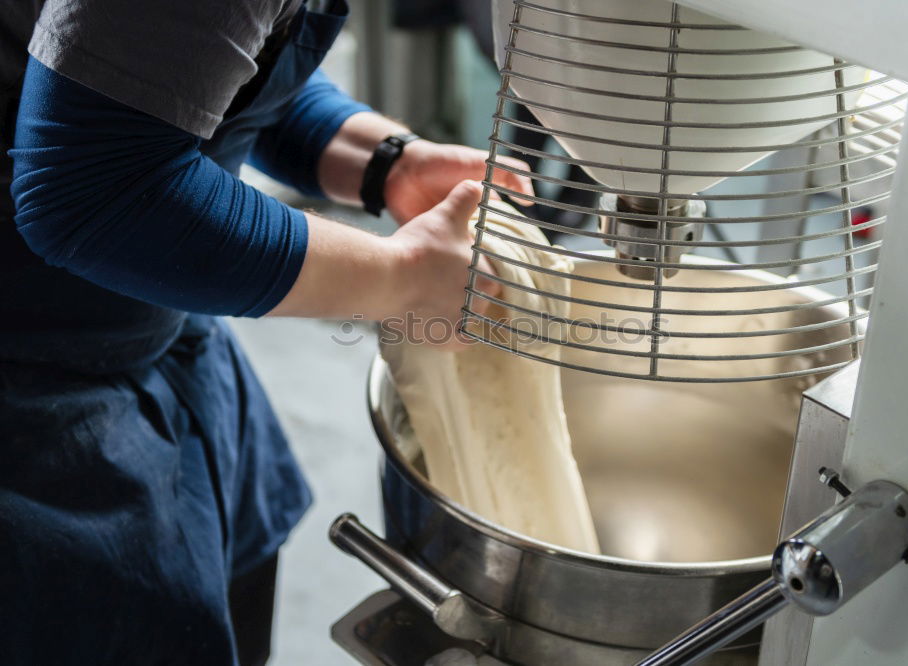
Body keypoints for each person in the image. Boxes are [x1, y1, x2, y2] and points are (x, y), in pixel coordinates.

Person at [0, 1, 531, 664]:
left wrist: (386, 163)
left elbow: (198, 67)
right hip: (30, 394)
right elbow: (95, 191)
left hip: (163, 333)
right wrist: (403, 278)